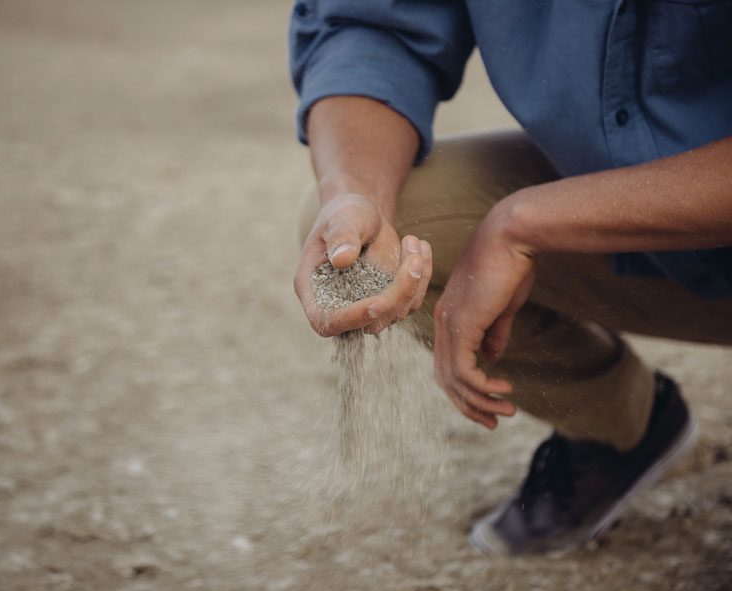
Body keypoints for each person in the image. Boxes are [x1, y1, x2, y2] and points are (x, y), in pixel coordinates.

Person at [288, 0, 732, 554]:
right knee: (394, 224)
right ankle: (622, 427)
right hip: (635, 202)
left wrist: (525, 224)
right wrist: (356, 190)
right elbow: (373, 26)